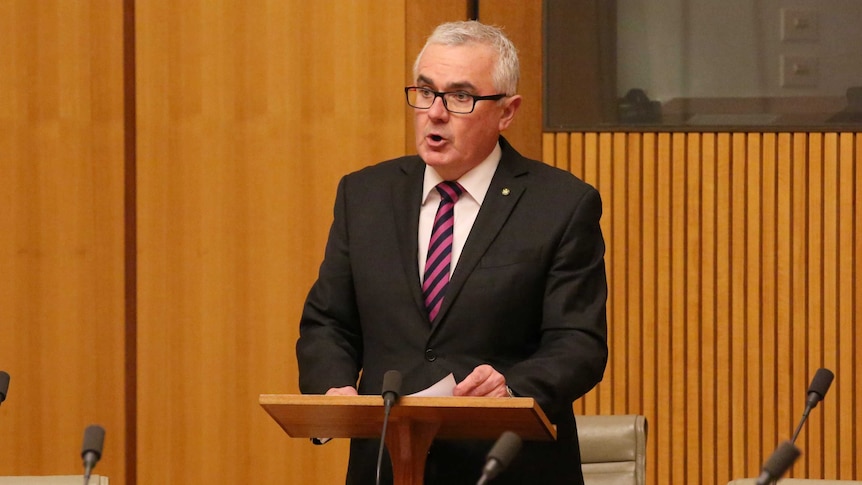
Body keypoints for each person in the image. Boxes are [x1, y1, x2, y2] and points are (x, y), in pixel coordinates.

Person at [296, 20, 608, 485]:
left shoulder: (560, 205)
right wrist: (335, 389)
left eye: (460, 97)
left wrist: (513, 387)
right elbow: (328, 321)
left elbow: (578, 342)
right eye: (425, 92)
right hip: (387, 465)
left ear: (507, 111)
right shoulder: (364, 195)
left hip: (507, 465)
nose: (435, 113)